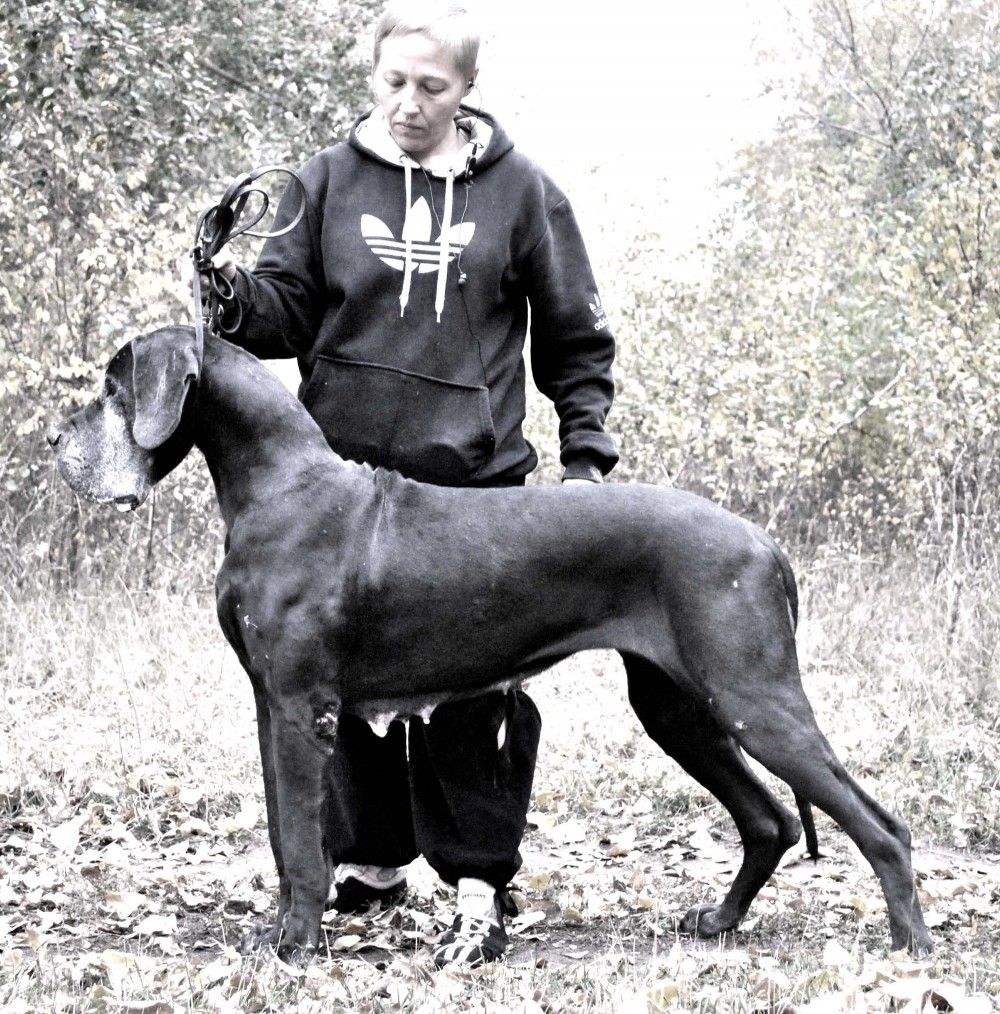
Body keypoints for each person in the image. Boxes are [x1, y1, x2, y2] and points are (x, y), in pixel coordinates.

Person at [204, 0, 618, 967]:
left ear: (467, 87)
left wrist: (586, 458)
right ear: (374, 75)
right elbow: (283, 315)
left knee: (476, 697)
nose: (409, 103)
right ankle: (372, 867)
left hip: (475, 487)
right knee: (335, 686)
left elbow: (575, 338)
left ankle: (478, 887)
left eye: (432, 86)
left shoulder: (523, 193)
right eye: (393, 81)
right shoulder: (325, 182)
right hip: (340, 488)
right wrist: (231, 295)